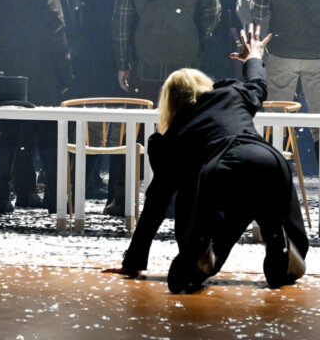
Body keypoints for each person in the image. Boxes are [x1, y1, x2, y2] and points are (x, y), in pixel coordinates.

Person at [120, 26, 309, 293]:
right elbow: (258, 85)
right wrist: (254, 56)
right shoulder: (232, 94)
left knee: (214, 232)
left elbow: (158, 200)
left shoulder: (173, 135)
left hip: (222, 168)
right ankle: (282, 243)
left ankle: (202, 252)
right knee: (269, 212)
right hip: (267, 159)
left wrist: (134, 260)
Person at [0, 0, 72, 214]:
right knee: (47, 132)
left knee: (7, 133)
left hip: (9, 71)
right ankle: (54, 198)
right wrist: (65, 72)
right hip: (41, 71)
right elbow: (57, 32)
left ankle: (3, 195)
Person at [76, 0, 138, 212]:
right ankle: (118, 196)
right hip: (123, 70)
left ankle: (77, 192)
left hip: (93, 74)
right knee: (122, 138)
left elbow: (81, 33)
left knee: (90, 138)